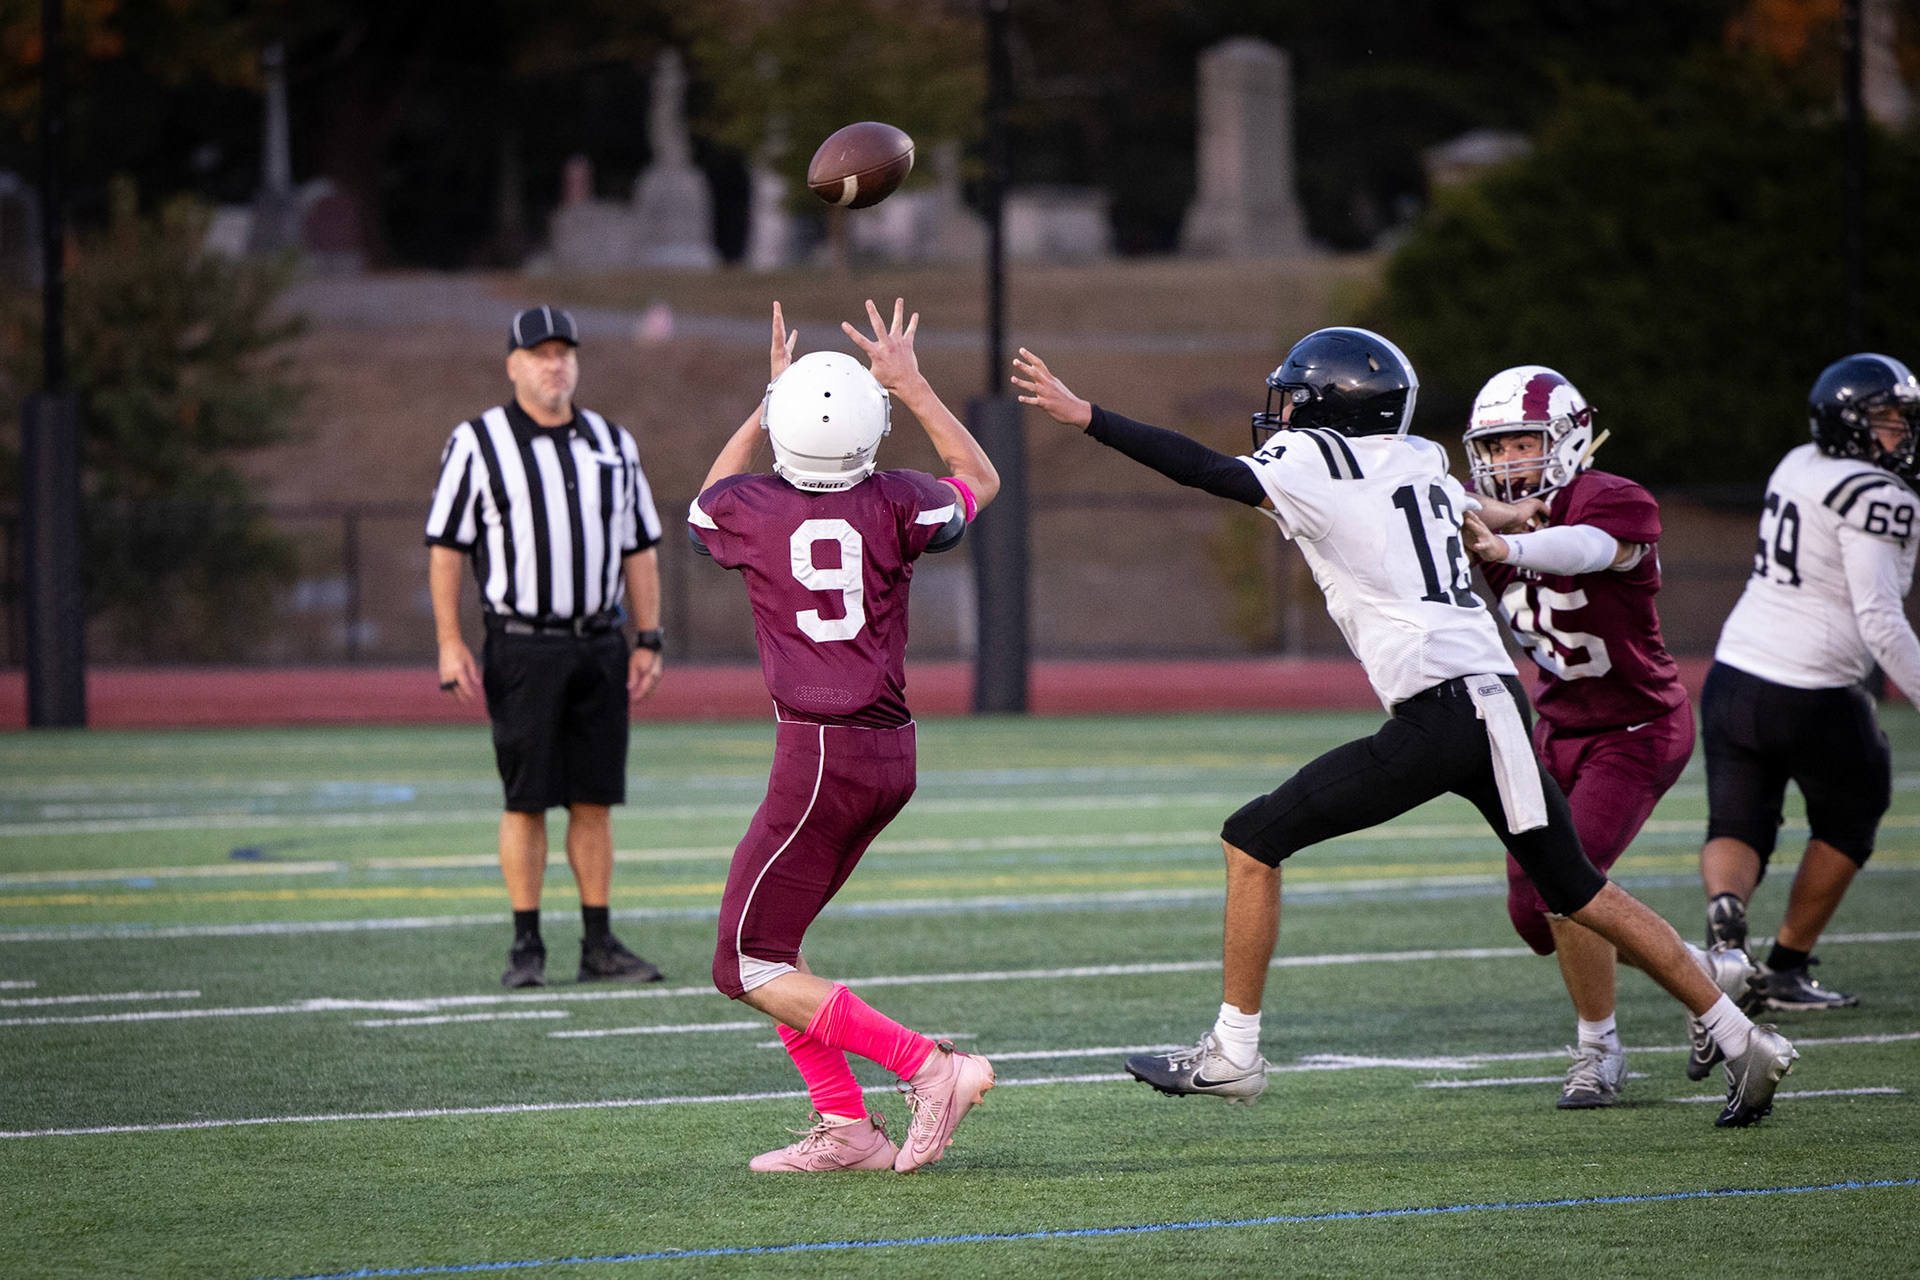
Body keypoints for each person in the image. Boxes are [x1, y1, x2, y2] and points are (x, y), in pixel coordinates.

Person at [1012, 328, 1797, 1128]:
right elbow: (1468, 506)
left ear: (1333, 405)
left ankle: (1233, 1055)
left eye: (1298, 398)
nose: (1284, 414)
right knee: (1576, 890)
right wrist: (1516, 513)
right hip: (1494, 701)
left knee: (1252, 839)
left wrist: (1090, 417)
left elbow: (1207, 470)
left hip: (1444, 711)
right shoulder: (1418, 459)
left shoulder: (1318, 460)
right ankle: (1744, 1039)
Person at [690, 299, 1001, 1173]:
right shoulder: (900, 499)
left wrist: (767, 402)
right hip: (890, 749)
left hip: (820, 753)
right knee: (776, 950)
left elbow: (704, 504)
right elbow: (979, 479)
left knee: (744, 965)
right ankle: (847, 1129)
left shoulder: (749, 508)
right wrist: (914, 383)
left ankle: (929, 1067)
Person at [1458, 366, 1752, 1109]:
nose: (1509, 461)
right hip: (1557, 727)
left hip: (1637, 727)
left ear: (1570, 438)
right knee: (1531, 917)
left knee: (1568, 889)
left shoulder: (1610, 498)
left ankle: (1600, 1052)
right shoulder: (1486, 515)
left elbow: (1585, 549)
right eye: (1495, 448)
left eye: (1523, 443)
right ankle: (1699, 970)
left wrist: (1507, 548)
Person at [425, 306, 666, 990]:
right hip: (523, 645)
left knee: (594, 800)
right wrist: (449, 640)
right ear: (513, 364)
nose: (555, 364)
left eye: (564, 352)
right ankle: (526, 944)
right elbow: (447, 548)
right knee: (525, 799)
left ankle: (598, 943)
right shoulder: (478, 442)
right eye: (540, 353)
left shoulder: (613, 443)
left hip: (599, 642)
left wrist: (648, 636)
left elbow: (640, 547)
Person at [1693, 352, 1920, 1048]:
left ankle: (1726, 923)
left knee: (1737, 819)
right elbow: (1880, 618)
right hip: (1812, 686)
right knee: (1853, 814)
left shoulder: (1798, 462)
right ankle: (1786, 967)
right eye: (1888, 419)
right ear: (1850, 424)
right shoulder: (1879, 494)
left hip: (1734, 672)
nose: (1901, 432)